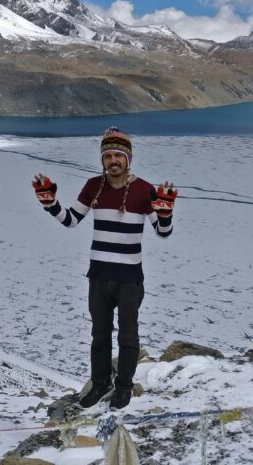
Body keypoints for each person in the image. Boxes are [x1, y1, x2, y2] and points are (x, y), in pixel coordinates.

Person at [32, 127, 177, 409]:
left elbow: (162, 231)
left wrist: (166, 214)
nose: (113, 161)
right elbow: (71, 219)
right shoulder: (93, 186)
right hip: (99, 276)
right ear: (102, 159)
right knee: (99, 334)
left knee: (127, 335)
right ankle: (99, 384)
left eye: (118, 156)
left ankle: (124, 386)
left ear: (128, 159)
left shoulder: (144, 190)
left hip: (129, 278)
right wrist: (51, 205)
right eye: (108, 156)